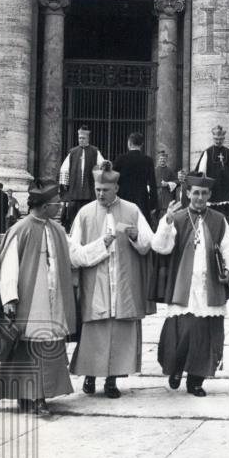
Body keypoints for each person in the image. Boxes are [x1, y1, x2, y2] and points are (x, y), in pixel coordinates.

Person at [0, 181, 76, 415]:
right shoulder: (20, 229)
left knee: (48, 342)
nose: (60, 207)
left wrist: (102, 246)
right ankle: (33, 397)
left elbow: (75, 255)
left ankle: (39, 395)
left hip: (53, 297)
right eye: (56, 204)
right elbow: (9, 267)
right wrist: (9, 299)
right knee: (27, 347)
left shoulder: (57, 229)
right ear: (43, 206)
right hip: (28, 299)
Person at [68, 161, 154, 398]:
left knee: (119, 333)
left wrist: (137, 237)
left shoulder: (132, 210)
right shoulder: (84, 214)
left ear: (116, 188)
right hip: (95, 283)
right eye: (97, 190)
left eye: (105, 190)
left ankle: (112, 381)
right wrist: (102, 244)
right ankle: (90, 376)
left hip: (124, 283)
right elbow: (74, 255)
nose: (100, 194)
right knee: (95, 331)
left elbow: (149, 245)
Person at [152, 172, 229, 396]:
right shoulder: (177, 217)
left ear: (209, 194)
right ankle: (176, 368)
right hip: (184, 283)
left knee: (206, 333)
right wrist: (167, 222)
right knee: (182, 330)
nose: (199, 197)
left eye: (204, 193)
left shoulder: (219, 219)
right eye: (195, 193)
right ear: (188, 193)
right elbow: (161, 247)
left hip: (209, 284)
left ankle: (196, 381)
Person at [195, 125, 229, 232]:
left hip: (227, 188)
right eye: (216, 139)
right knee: (211, 214)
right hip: (213, 189)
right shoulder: (207, 152)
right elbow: (201, 171)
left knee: (228, 215)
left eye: (220, 139)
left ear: (223, 139)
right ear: (213, 138)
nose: (218, 141)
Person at [59, 125, 105, 231]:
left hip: (89, 190)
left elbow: (102, 165)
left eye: (83, 138)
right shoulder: (73, 152)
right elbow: (64, 168)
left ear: (88, 138)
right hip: (75, 189)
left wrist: (100, 181)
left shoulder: (94, 151)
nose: (81, 140)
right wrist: (65, 184)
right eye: (79, 138)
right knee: (73, 212)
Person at [112, 132, 158, 225]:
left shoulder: (121, 159)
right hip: (141, 199)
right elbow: (153, 183)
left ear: (129, 143)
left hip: (123, 199)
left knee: (123, 226)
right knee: (140, 227)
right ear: (141, 145)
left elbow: (113, 180)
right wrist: (153, 204)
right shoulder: (148, 160)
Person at [154, 150, 178, 214]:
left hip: (167, 195)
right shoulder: (154, 170)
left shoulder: (170, 170)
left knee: (166, 213)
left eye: (164, 159)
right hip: (157, 195)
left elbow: (177, 181)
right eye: (161, 159)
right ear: (158, 160)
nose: (162, 160)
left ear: (166, 160)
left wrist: (168, 184)